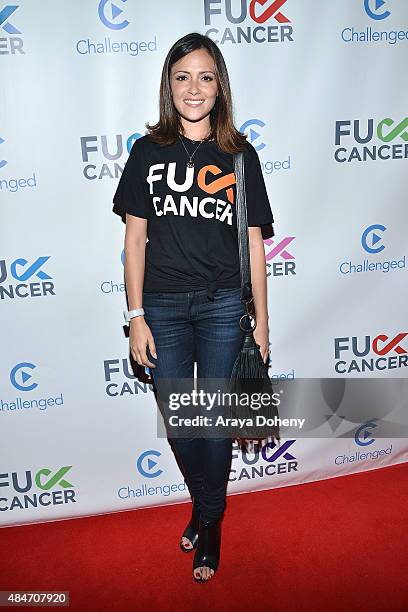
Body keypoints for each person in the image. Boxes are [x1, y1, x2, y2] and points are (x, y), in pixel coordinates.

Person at [112, 32, 274, 583]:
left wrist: (264, 327)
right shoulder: (147, 152)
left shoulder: (239, 155)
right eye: (182, 77)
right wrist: (136, 317)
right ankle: (210, 509)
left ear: (219, 86)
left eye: (205, 76)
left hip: (224, 304)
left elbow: (255, 244)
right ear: (169, 86)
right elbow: (135, 241)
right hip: (161, 307)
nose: (194, 87)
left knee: (214, 426)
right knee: (183, 422)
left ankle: (210, 525)